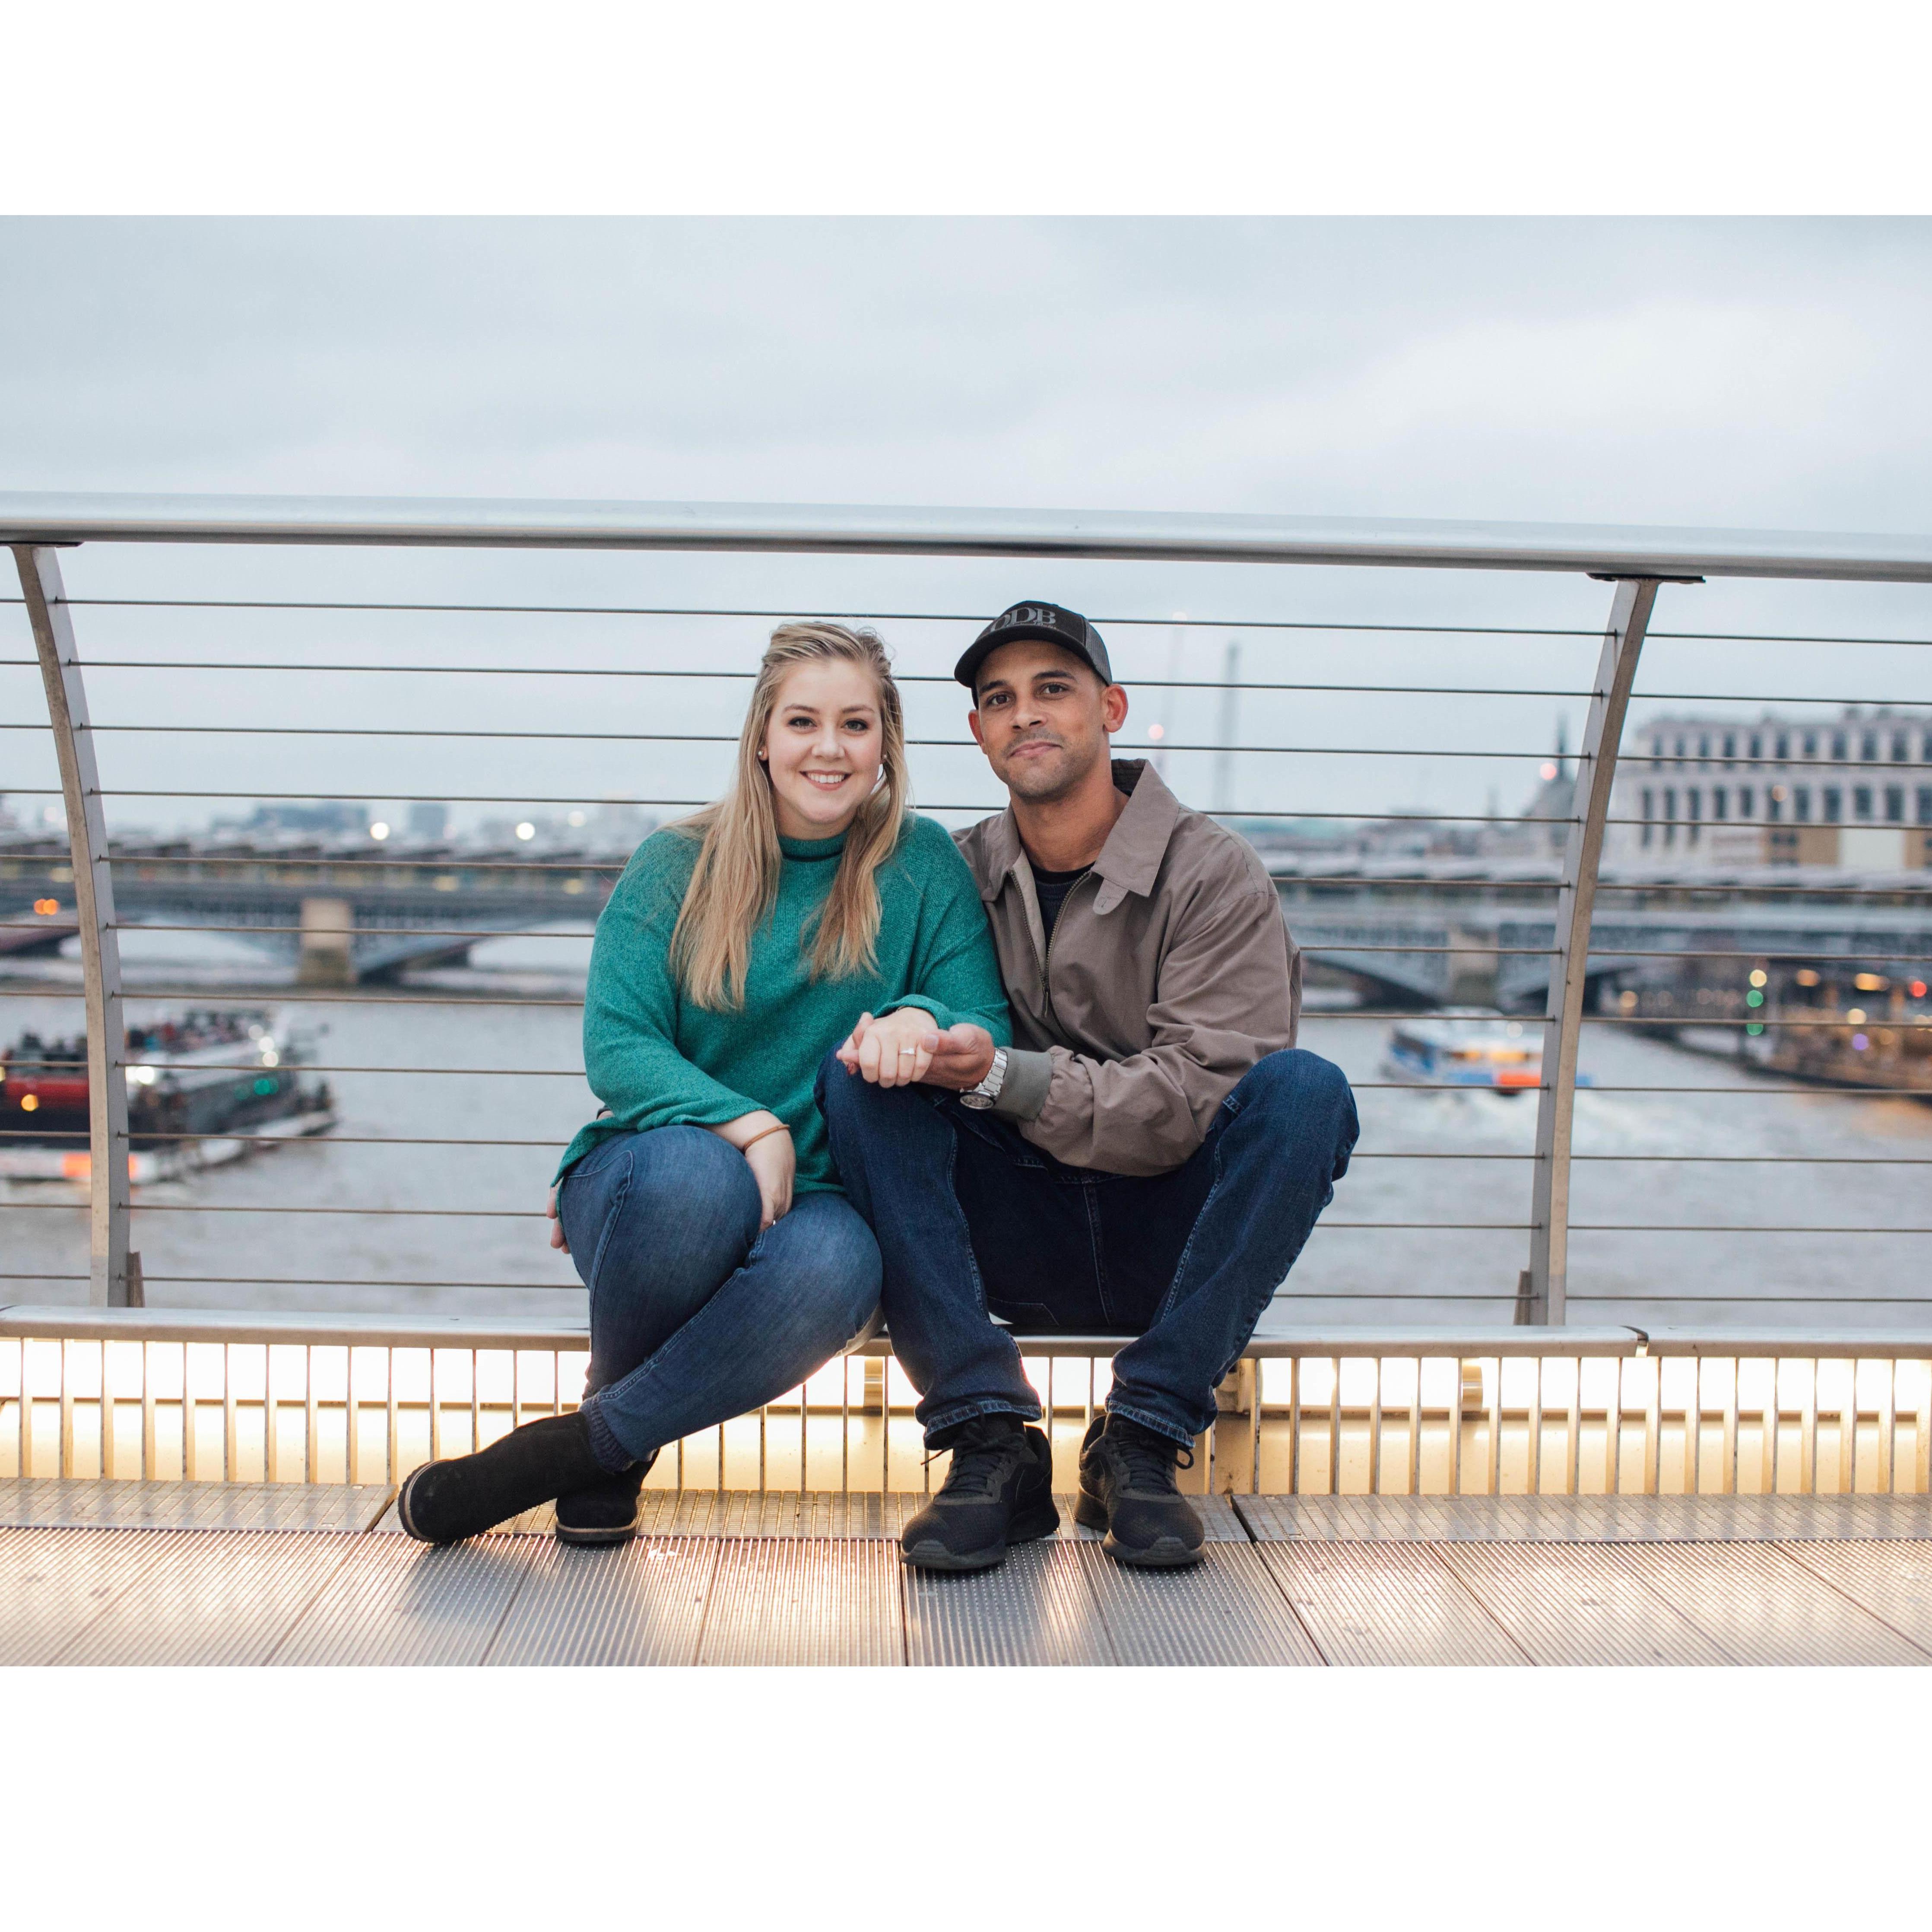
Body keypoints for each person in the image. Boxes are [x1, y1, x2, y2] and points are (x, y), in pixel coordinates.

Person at [398, 622, 1010, 1546]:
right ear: (761, 736)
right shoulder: (673, 865)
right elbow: (617, 1043)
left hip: (822, 1203)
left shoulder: (920, 866)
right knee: (695, 1179)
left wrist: (920, 1021)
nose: (828, 747)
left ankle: (592, 1443)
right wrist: (750, 1125)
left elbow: (981, 1024)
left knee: (844, 1263)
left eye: (854, 724)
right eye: (802, 720)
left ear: (885, 742)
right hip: (658, 1176)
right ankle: (611, 1427)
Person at [819, 600, 1358, 1573]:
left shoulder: (1214, 874)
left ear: (1109, 708)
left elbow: (1193, 1099)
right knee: (857, 1073)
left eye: (1052, 690)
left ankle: (1140, 1438)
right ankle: (991, 1440)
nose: (1025, 713)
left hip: (1170, 1230)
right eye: (998, 698)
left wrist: (1002, 1075)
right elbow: (866, 1027)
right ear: (978, 733)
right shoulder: (949, 868)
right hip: (1012, 1228)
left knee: (1306, 1093)